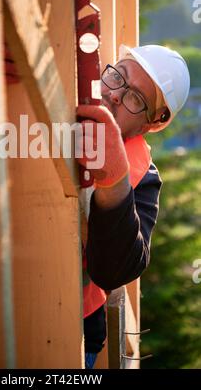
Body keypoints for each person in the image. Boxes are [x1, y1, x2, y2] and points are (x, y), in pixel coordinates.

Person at [76, 44, 190, 369]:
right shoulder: (62, 101)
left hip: (74, 329)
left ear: (152, 124)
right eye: (117, 77)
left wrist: (114, 182)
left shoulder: (144, 179)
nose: (114, 95)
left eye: (135, 99)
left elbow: (118, 268)